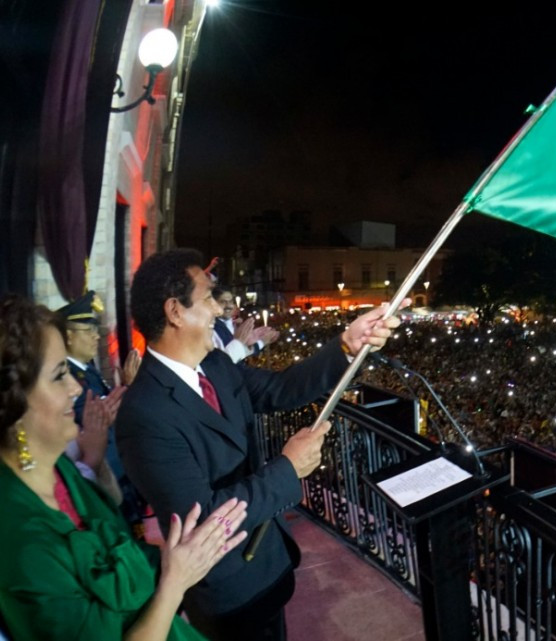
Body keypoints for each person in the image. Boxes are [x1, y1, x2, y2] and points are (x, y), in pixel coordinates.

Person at [116, 248, 402, 641]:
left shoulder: (215, 366)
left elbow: (282, 389)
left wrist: (345, 347)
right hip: (229, 590)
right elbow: (204, 521)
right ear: (175, 312)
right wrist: (288, 469)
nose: (220, 310)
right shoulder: (144, 413)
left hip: (269, 560)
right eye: (209, 298)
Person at [0, 294, 249, 640]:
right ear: (14, 400)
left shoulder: (55, 469)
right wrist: (175, 581)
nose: (75, 388)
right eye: (59, 376)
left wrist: (96, 461)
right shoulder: (20, 540)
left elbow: (109, 517)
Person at [57, 291, 148, 530]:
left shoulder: (87, 370)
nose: (97, 336)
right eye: (88, 330)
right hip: (103, 474)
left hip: (115, 472)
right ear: (68, 336)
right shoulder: (72, 378)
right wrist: (128, 388)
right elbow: (98, 417)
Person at [211, 284, 277, 364]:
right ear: (213, 304)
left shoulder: (233, 325)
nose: (229, 306)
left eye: (231, 301)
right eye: (223, 302)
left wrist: (259, 343)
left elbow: (239, 354)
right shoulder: (212, 329)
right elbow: (223, 363)